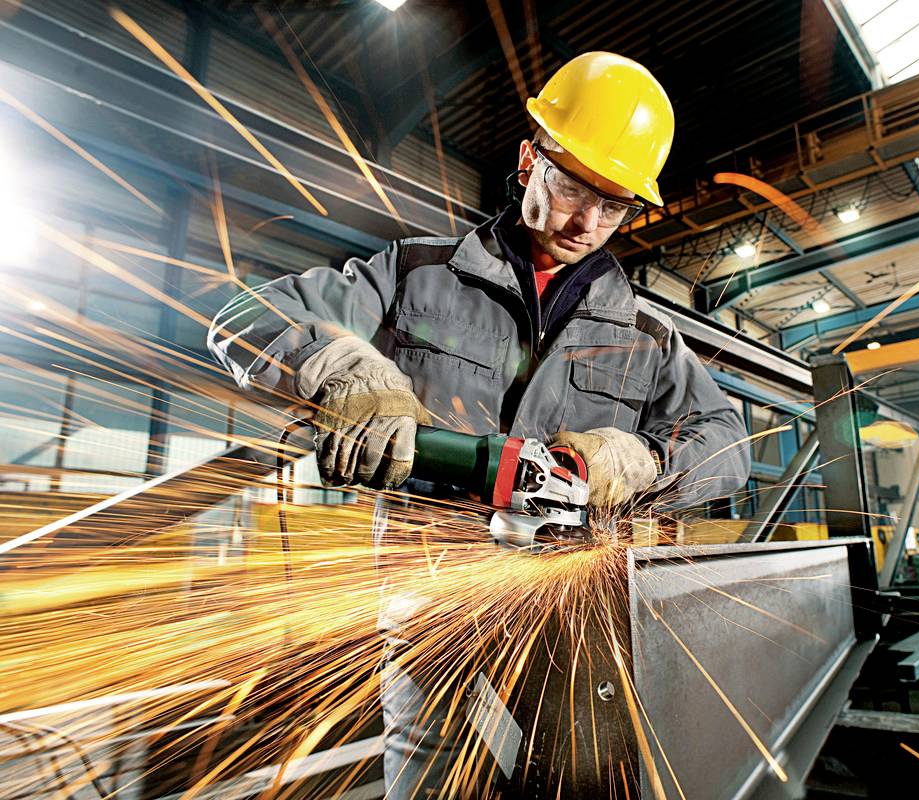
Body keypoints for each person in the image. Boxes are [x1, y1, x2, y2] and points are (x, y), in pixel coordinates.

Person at [208, 51, 750, 798]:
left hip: (574, 606)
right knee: (434, 780)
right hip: (433, 593)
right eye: (572, 187)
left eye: (616, 204)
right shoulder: (415, 274)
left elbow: (727, 443)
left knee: (583, 780)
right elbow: (245, 319)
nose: (588, 222)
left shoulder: (648, 335)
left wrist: (645, 462)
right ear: (529, 160)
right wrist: (347, 371)